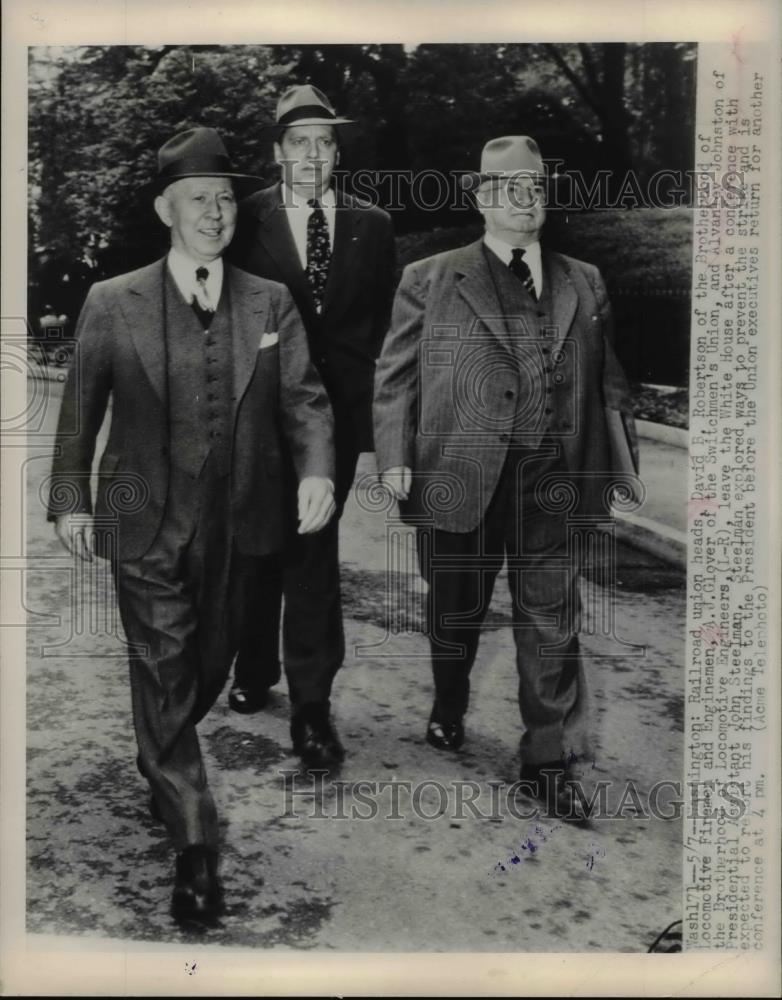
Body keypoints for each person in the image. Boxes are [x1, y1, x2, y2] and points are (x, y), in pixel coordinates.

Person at [47, 127, 335, 924]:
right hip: (144, 519)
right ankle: (196, 849)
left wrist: (317, 471)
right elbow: (80, 411)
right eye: (198, 200)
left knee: (208, 664)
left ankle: (162, 760)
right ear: (164, 207)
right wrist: (71, 497)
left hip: (241, 521)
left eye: (224, 200)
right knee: (166, 668)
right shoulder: (113, 300)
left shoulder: (268, 300)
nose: (214, 213)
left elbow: (304, 398)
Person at [373, 135, 638, 820]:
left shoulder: (584, 279)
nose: (527, 201)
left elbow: (608, 382)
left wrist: (617, 466)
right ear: (484, 198)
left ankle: (545, 759)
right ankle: (450, 696)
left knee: (551, 619)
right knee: (456, 610)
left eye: (537, 188)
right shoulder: (430, 278)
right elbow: (395, 377)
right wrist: (395, 458)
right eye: (512, 189)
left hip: (554, 478)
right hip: (460, 474)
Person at [227, 84, 396, 768]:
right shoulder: (244, 219)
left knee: (313, 553)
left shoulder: (373, 225)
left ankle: (311, 706)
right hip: (261, 415)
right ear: (277, 153)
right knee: (257, 548)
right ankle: (252, 666)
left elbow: (384, 328)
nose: (313, 154)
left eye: (325, 142)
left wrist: (383, 423)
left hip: (340, 418)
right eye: (299, 142)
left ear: (337, 153)